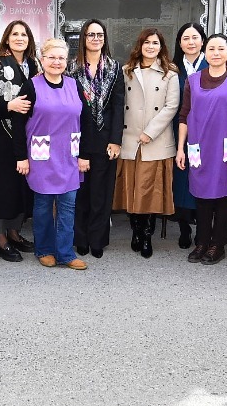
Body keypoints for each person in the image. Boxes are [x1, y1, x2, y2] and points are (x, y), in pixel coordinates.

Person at [175, 33, 227, 265]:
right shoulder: (193, 80)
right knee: (201, 195)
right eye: (211, 49)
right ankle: (202, 241)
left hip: (226, 146)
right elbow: (184, 115)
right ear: (204, 52)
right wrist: (180, 148)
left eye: (221, 49)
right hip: (199, 145)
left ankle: (218, 244)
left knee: (223, 196)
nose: (216, 53)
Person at [15, 38, 89, 270]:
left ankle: (66, 253)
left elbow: (86, 120)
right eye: (52, 57)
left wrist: (85, 155)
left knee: (68, 207)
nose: (57, 62)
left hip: (69, 155)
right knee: (44, 206)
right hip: (41, 156)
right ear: (42, 60)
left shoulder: (74, 85)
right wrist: (21, 157)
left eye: (61, 58)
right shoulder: (31, 86)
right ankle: (45, 249)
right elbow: (17, 123)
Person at [0, 21, 39, 261]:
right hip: (1, 137)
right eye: (15, 34)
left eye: (24, 34)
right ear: (7, 38)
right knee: (0, 188)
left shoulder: (34, 64)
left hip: (27, 135)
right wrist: (8, 106)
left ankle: (14, 232)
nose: (20, 38)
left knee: (19, 187)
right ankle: (0, 241)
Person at [115, 26, 178, 258]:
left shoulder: (170, 73)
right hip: (130, 138)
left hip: (155, 141)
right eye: (146, 42)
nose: (150, 47)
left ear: (161, 47)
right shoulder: (126, 71)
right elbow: (120, 105)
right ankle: (136, 231)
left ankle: (147, 235)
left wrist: (150, 132)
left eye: (155, 43)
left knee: (150, 191)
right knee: (132, 190)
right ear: (139, 46)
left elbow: (171, 107)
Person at [72, 19, 124, 258]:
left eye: (100, 35)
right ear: (83, 38)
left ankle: (97, 240)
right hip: (77, 140)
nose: (95, 38)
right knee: (80, 193)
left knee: (101, 195)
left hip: (105, 142)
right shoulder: (71, 68)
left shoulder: (115, 68)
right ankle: (80, 238)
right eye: (91, 34)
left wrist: (115, 140)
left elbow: (117, 106)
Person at [170, 23, 207, 248]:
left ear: (203, 41)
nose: (190, 42)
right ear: (180, 42)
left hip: (207, 129)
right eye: (186, 38)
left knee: (204, 174)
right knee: (182, 175)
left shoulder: (212, 63)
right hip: (179, 127)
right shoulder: (173, 68)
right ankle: (184, 226)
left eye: (195, 37)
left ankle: (202, 224)